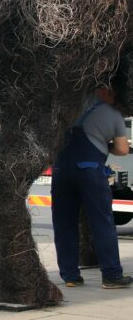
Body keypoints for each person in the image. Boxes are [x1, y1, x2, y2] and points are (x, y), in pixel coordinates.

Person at [51, 71, 133, 289]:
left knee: (64, 224)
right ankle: (112, 276)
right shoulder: (114, 115)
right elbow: (123, 149)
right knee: (102, 223)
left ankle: (70, 276)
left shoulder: (70, 108)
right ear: (108, 91)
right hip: (90, 171)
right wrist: (107, 145)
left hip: (61, 170)